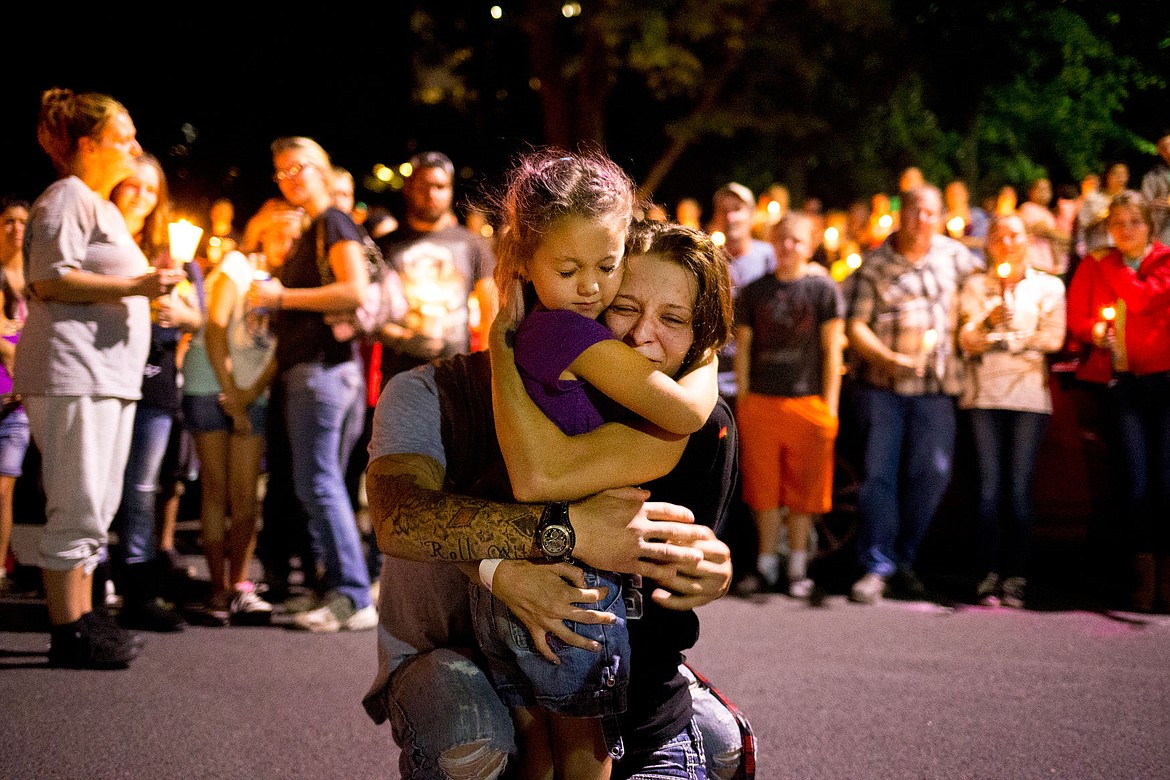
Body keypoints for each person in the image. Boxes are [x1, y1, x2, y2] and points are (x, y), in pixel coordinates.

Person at [363, 220, 748, 778]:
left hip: (629, 677)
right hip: (455, 651)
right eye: (626, 307)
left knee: (718, 744)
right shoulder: (432, 391)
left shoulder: (694, 422)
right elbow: (402, 518)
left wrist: (714, 569)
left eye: (674, 319)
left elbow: (676, 578)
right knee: (472, 741)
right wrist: (511, 564)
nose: (642, 336)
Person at [474, 150, 719, 777]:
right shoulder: (571, 334)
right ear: (526, 261)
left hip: (529, 568)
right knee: (588, 747)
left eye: (606, 268)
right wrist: (712, 356)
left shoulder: (531, 329)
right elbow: (684, 413)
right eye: (571, 269)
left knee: (545, 743)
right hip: (571, 572)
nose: (590, 288)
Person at [15, 88, 184, 668]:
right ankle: (68, 630)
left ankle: (86, 617)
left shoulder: (99, 204)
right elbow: (48, 278)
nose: (135, 147)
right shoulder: (66, 197)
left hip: (105, 376)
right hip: (73, 372)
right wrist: (137, 288)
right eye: (124, 136)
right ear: (90, 145)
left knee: (99, 503)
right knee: (78, 501)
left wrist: (147, 295)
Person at [248, 136, 376, 632]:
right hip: (328, 371)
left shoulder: (332, 222)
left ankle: (351, 595)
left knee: (320, 484)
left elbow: (354, 289)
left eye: (297, 166)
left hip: (322, 371)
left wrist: (281, 297)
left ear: (323, 167)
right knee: (321, 484)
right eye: (280, 172)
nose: (289, 177)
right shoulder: (318, 226)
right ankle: (342, 589)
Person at [842, 184, 984, 604]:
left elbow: (982, 288)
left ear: (939, 216)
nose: (921, 220)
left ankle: (904, 556)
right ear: (901, 215)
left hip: (936, 388)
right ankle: (877, 566)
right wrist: (888, 358)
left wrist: (977, 316)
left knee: (934, 472)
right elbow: (856, 327)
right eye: (914, 211)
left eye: (929, 212)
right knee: (878, 478)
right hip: (883, 387)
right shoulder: (876, 263)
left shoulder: (955, 257)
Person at [108, 152, 203, 632]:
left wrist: (182, 316)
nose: (142, 196)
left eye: (151, 189)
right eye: (132, 186)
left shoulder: (171, 250)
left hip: (154, 382)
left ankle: (138, 589)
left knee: (142, 486)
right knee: (102, 485)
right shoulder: (105, 238)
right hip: (106, 374)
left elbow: (197, 315)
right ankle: (93, 581)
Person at [180, 199, 287, 626]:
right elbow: (215, 328)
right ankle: (217, 590)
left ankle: (239, 584)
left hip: (249, 393)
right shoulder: (237, 265)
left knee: (246, 497)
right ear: (264, 230)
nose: (288, 242)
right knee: (216, 492)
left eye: (296, 236)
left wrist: (249, 396)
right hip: (212, 385)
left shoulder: (287, 283)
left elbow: (281, 352)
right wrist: (233, 397)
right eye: (282, 233)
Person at [1065, 190, 1170, 613]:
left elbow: (1145, 299)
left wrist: (1113, 266)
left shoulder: (1163, 261)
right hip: (1122, 385)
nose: (1125, 231)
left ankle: (1168, 579)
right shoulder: (1094, 265)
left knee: (1167, 481)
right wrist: (1094, 333)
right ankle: (1144, 578)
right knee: (1135, 481)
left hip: (1165, 384)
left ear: (1150, 226)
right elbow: (1076, 316)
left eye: (1135, 222)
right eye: (1118, 223)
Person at [957, 214, 1067, 608]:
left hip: (1027, 398)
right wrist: (988, 324)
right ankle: (986, 572)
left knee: (1018, 486)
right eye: (998, 235)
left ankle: (1016, 575)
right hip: (985, 395)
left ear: (1027, 240)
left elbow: (1053, 336)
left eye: (1014, 235)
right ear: (988, 243)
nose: (1006, 241)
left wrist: (1009, 341)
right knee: (988, 486)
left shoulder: (1048, 286)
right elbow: (966, 340)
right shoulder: (975, 286)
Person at [733, 212, 845, 598]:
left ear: (809, 245)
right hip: (762, 401)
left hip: (809, 401)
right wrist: (745, 400)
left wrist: (830, 408)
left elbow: (833, 351)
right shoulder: (754, 291)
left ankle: (798, 568)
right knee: (763, 490)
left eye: (796, 240)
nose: (788, 246)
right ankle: (766, 566)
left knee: (805, 493)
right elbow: (743, 348)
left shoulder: (824, 290)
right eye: (781, 239)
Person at [373, 150, 498, 385]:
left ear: (451, 190)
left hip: (456, 373)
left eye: (440, 187)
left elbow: (490, 307)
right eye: (423, 186)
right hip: (400, 375)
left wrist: (487, 367)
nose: (432, 194)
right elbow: (369, 314)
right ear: (408, 189)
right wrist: (401, 339)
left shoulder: (471, 244)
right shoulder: (385, 246)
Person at [0, 196, 29, 597]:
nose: (17, 228)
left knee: (4, 487)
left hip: (18, 401)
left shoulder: (36, 277)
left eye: (24, 221)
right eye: (8, 221)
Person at [1017, 177, 1070, 277]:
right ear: (1031, 191)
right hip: (1035, 263)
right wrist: (1066, 237)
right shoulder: (1028, 208)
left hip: (1048, 267)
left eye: (1047, 189)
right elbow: (1044, 230)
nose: (1044, 193)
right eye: (1040, 189)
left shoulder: (1048, 214)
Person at [1139, 132, 1170, 246]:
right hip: (1164, 229)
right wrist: (1152, 204)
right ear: (1159, 152)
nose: (1168, 150)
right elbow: (1144, 204)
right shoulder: (1153, 176)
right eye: (1163, 147)